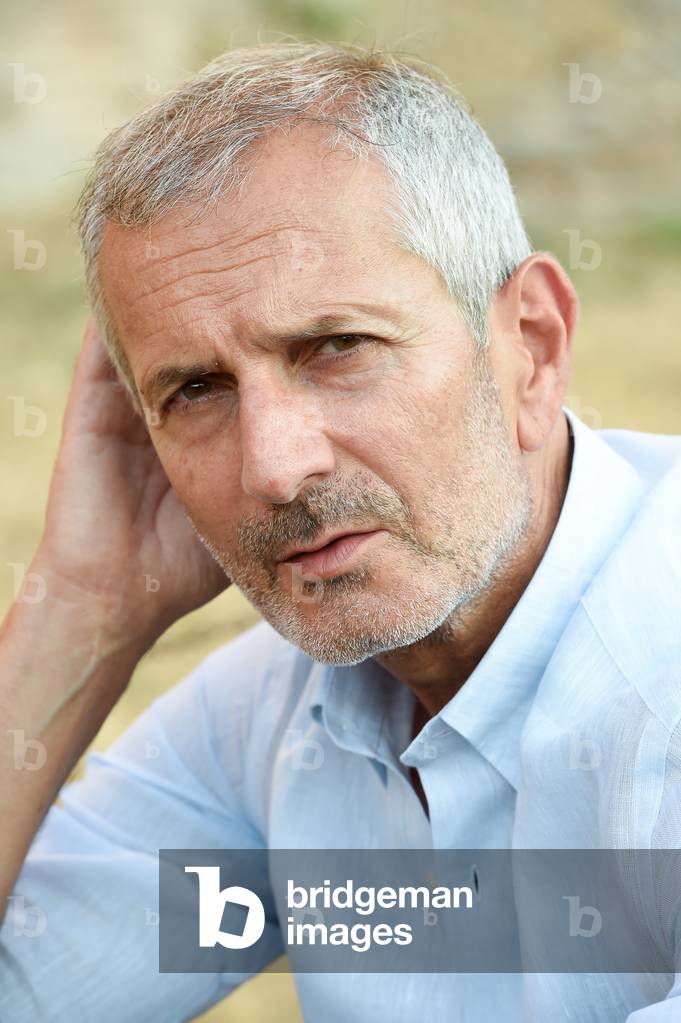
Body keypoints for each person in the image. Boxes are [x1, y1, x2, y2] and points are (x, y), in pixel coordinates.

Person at [1, 40, 680, 1022]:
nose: (273, 466)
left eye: (338, 347)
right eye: (197, 390)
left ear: (531, 346)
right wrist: (79, 609)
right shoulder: (281, 724)